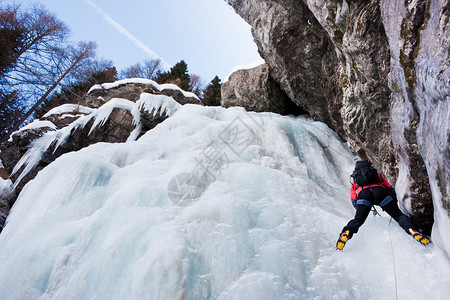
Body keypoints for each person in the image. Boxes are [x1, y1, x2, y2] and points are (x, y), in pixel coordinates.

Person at [336, 160, 430, 250]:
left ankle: (346, 232)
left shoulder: (356, 178)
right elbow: (389, 188)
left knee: (358, 220)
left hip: (363, 196)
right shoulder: (375, 174)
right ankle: (413, 230)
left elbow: (353, 197)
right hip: (380, 192)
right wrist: (393, 202)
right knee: (398, 216)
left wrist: (360, 208)